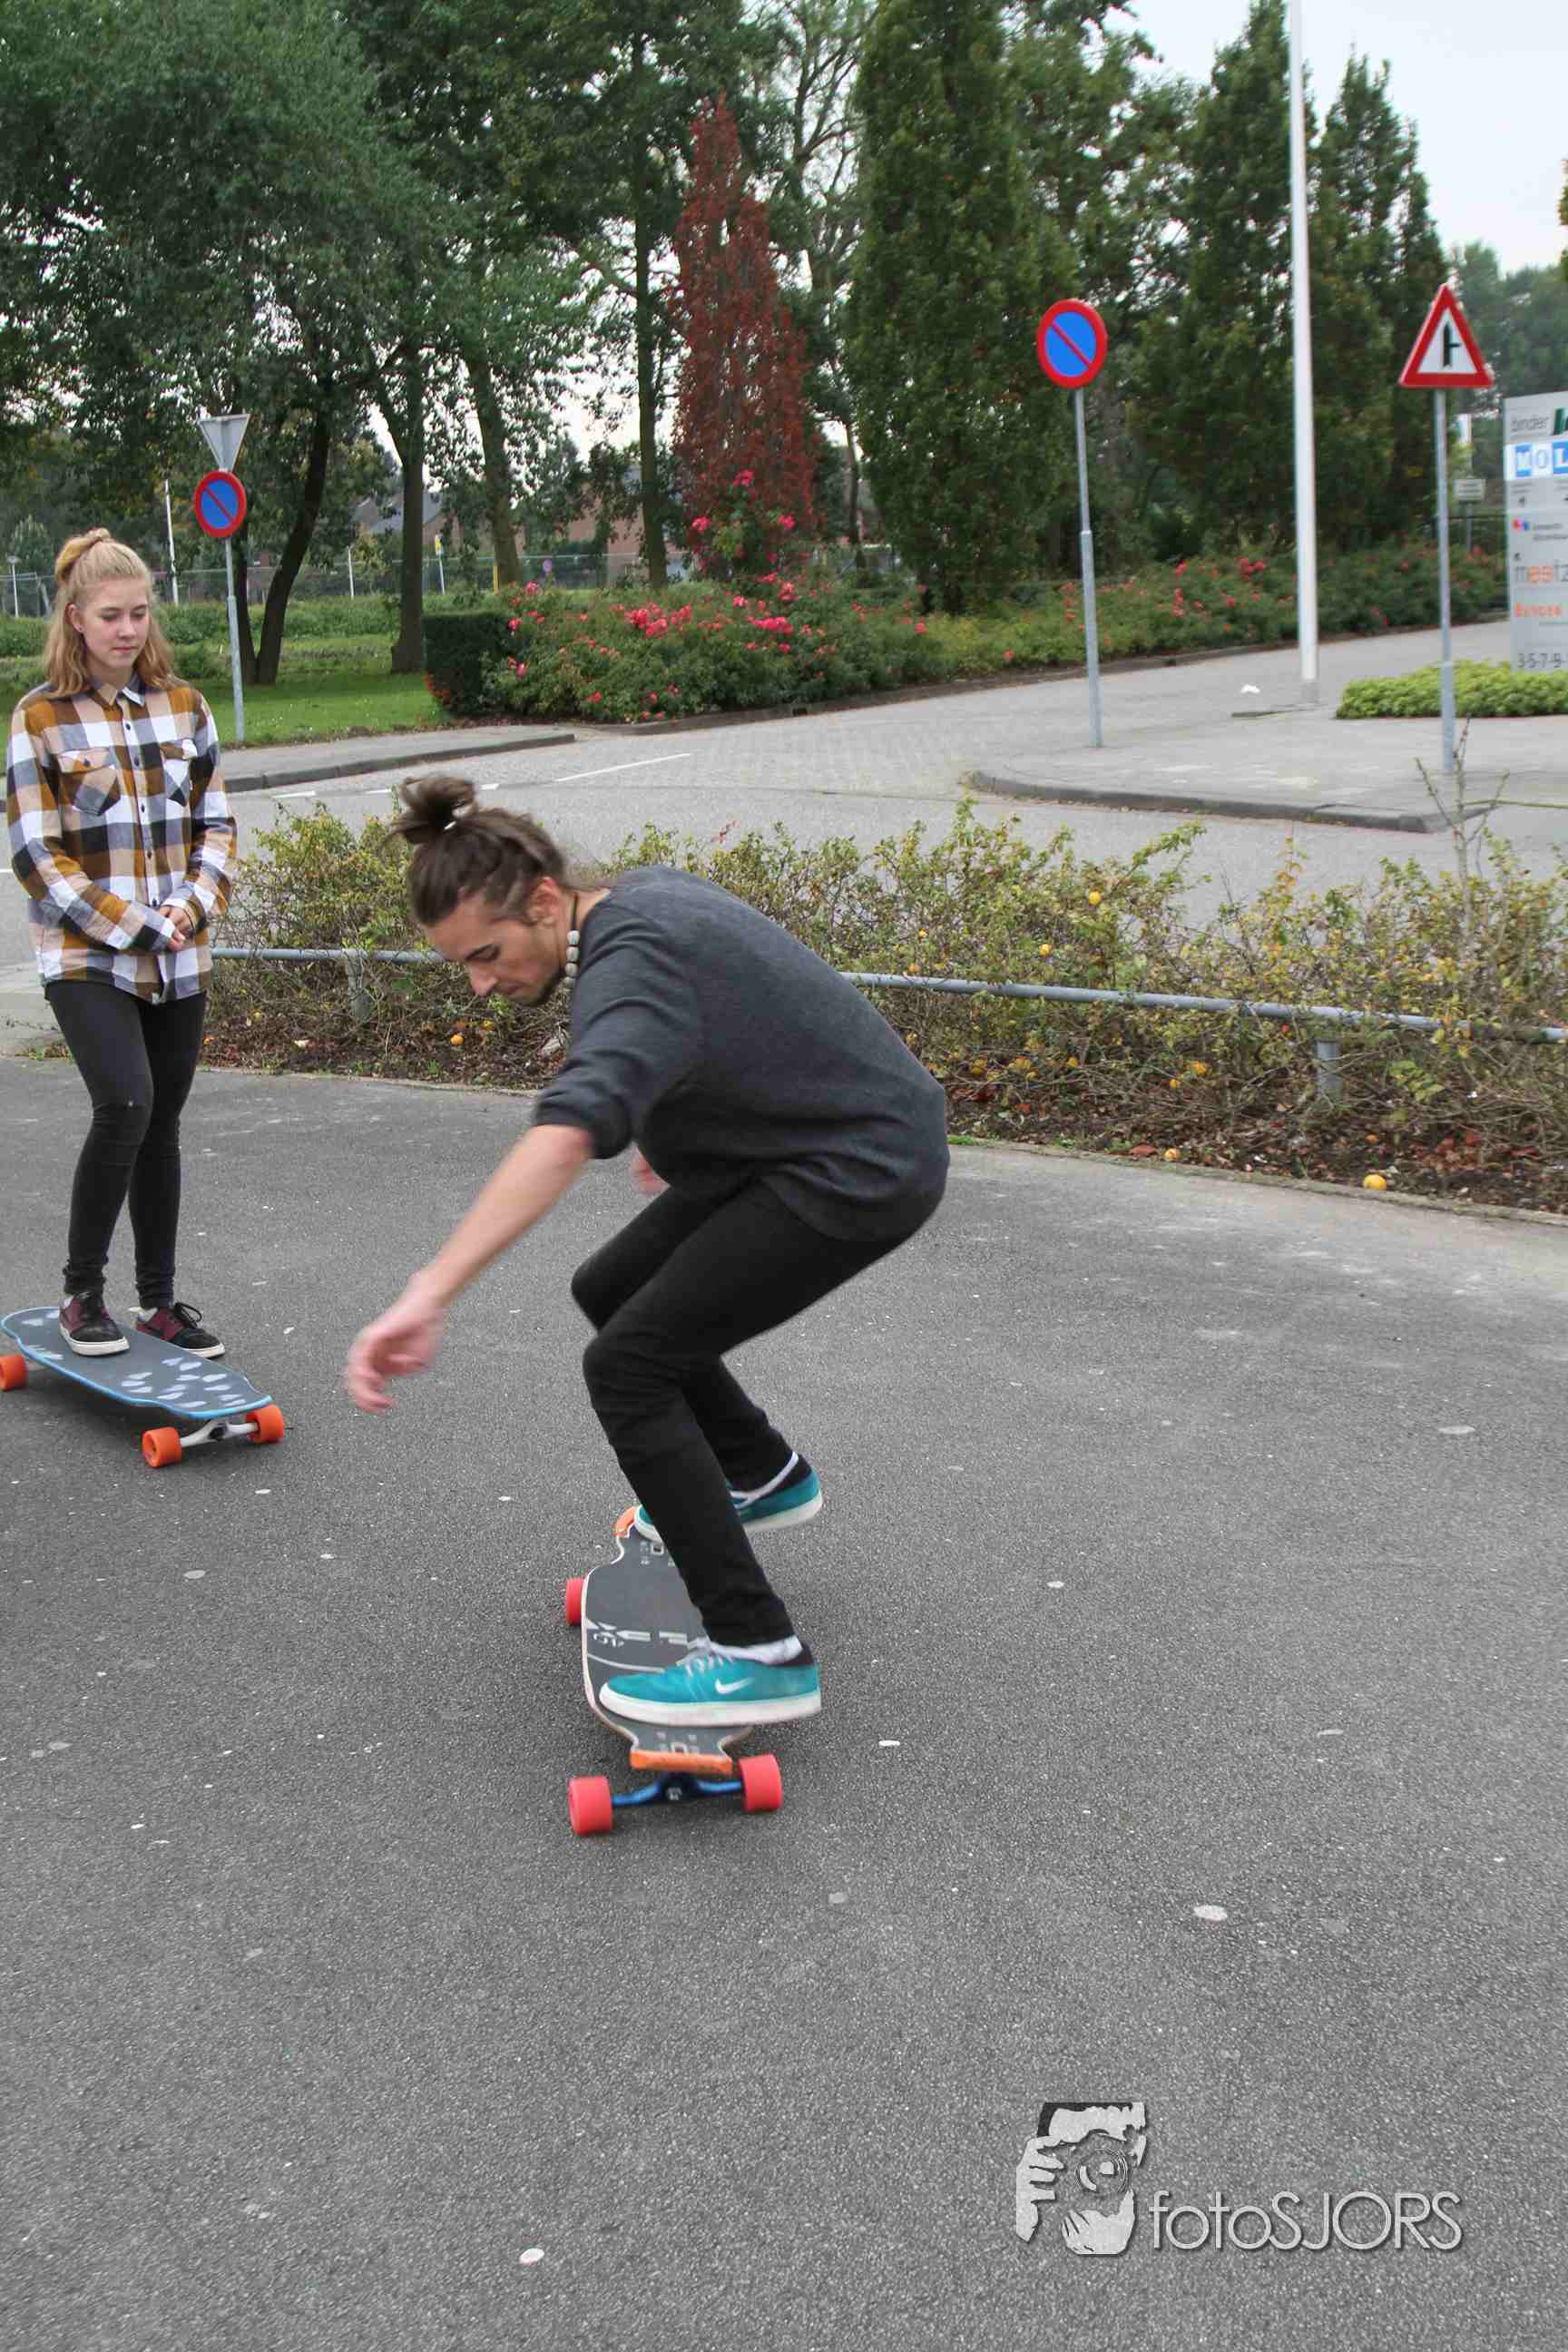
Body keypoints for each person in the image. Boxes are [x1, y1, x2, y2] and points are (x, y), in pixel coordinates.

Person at [345, 776, 949, 1729]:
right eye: (463, 965)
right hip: (806, 1142)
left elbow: (567, 1131)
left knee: (627, 1366)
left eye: (488, 955)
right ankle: (759, 1472)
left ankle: (759, 1651)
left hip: (855, 1171)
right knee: (612, 1286)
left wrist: (431, 1290)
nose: (481, 985)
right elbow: (733, 1003)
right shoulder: (638, 900)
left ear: (545, 900)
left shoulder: (629, 963)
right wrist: (686, 1124)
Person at [5, 529, 237, 1357]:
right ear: (75, 618)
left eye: (140, 612)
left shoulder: (186, 707)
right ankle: (81, 1295)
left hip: (179, 952)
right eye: (110, 615)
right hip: (87, 955)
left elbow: (217, 824)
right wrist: (135, 923)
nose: (129, 629)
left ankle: (160, 1304)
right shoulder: (39, 718)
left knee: (161, 1123)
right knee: (126, 1104)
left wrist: (192, 907)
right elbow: (37, 856)